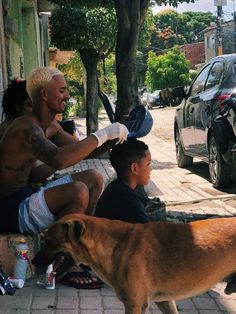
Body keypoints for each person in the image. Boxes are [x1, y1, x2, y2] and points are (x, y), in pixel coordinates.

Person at [0, 66, 128, 288]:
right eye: (62, 90)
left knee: (94, 178)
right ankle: (63, 263)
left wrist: (113, 137)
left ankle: (77, 250)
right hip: (9, 209)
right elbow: (59, 159)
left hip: (26, 195)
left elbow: (81, 150)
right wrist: (102, 134)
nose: (67, 95)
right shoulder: (24, 127)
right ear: (44, 95)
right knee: (77, 191)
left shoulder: (50, 125)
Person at [95, 138, 152, 223]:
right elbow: (148, 232)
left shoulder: (116, 188)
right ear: (134, 168)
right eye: (148, 164)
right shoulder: (129, 201)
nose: (150, 169)